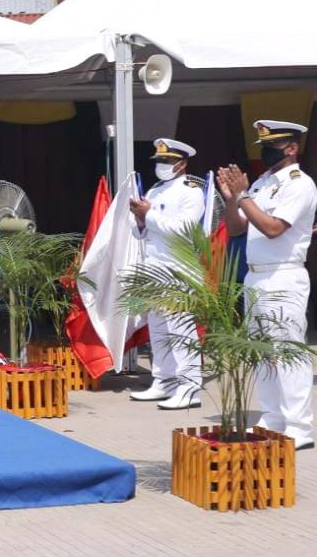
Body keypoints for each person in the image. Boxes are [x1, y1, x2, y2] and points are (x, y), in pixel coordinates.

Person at [217, 120, 317, 450]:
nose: (266, 149)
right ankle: (273, 417)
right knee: (262, 351)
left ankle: (300, 425)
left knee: (288, 351)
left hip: (284, 275)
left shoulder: (299, 184)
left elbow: (274, 228)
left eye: (273, 143)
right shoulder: (261, 182)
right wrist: (232, 198)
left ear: (291, 148)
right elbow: (235, 229)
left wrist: (244, 195)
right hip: (256, 275)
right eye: (263, 143)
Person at [127, 138, 206, 409]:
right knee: (159, 329)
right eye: (160, 161)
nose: (162, 166)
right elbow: (142, 231)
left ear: (182, 164)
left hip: (178, 269)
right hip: (155, 266)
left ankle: (190, 387)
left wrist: (148, 216)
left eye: (168, 161)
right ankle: (164, 380)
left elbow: (184, 229)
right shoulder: (155, 189)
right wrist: (140, 220)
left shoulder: (192, 190)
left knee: (181, 330)